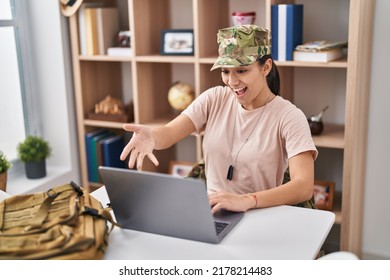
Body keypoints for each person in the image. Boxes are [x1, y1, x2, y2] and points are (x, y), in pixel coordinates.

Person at [120, 25, 318, 214]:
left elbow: (303, 187)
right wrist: (152, 137)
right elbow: (170, 133)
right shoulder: (214, 98)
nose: (232, 82)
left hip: (260, 212)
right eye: (225, 71)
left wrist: (248, 200)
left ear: (265, 67)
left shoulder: (289, 117)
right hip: (210, 211)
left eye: (241, 71)